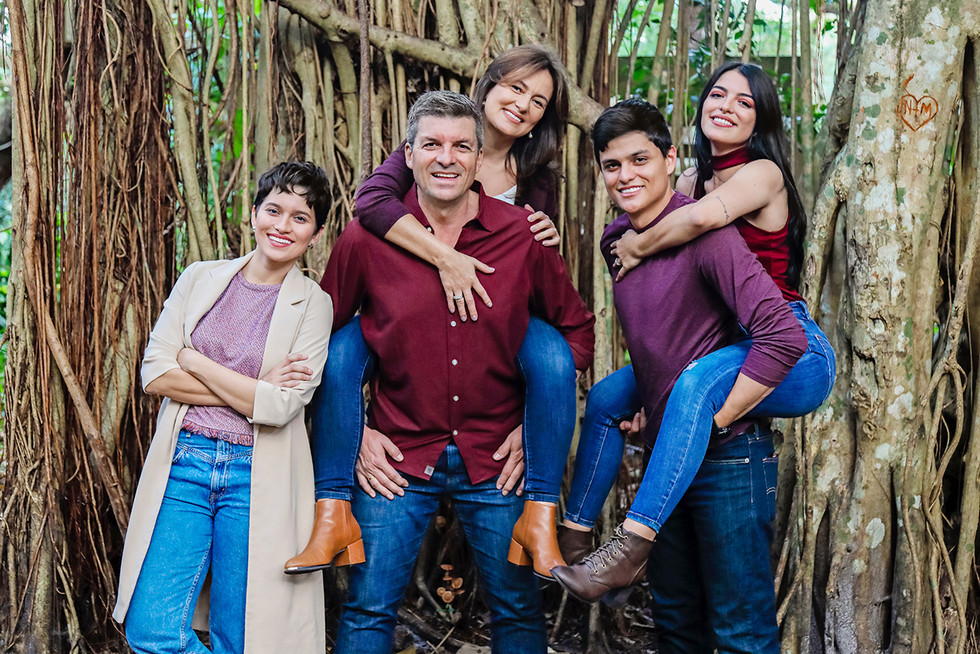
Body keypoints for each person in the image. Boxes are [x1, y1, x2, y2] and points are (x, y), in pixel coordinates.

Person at [285, 44, 578, 580]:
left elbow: (553, 297)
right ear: (487, 86)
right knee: (344, 347)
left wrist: (535, 423)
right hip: (412, 342)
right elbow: (371, 204)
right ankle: (332, 508)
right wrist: (447, 258)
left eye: (538, 101)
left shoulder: (535, 180)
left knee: (553, 354)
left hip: (498, 335)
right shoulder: (430, 144)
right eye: (515, 88)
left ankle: (541, 515)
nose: (523, 104)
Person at [319, 91, 594, 653]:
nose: (446, 158)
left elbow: (575, 333)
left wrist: (535, 427)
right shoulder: (365, 240)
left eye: (461, 147)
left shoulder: (522, 235)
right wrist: (355, 433)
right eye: (432, 145)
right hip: (396, 456)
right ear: (409, 155)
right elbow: (320, 342)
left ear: (478, 157)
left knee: (519, 610)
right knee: (368, 609)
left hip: (498, 460)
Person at [557, 62, 836, 576]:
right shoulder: (690, 178)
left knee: (693, 387)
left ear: (761, 119)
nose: (726, 107)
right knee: (607, 400)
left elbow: (703, 218)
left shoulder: (763, 173)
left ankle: (630, 548)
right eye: (717, 94)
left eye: (744, 102)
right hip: (718, 343)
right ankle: (572, 542)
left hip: (786, 341)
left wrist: (638, 244)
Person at [113, 162, 334, 654]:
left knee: (243, 637)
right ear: (253, 214)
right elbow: (156, 374)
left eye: (300, 218)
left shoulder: (313, 305)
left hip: (256, 475)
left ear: (316, 234)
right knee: (151, 629)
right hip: (185, 463)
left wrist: (194, 361)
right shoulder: (200, 279)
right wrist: (255, 387)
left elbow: (281, 406)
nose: (283, 226)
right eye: (273, 210)